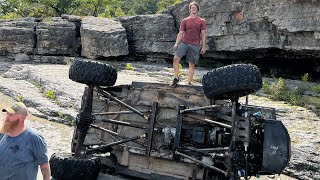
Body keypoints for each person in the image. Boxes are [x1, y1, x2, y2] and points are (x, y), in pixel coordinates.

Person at [0, 102, 51, 180]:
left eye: (11, 115)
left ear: (21, 118)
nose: (7, 118)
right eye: (7, 114)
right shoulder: (3, 133)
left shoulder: (34, 138)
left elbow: (44, 167)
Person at [169, 1, 206, 87]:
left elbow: (203, 34)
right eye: (192, 8)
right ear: (189, 10)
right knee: (175, 58)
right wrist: (176, 43)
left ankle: (189, 82)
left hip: (195, 44)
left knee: (192, 65)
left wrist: (203, 47)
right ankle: (175, 77)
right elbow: (181, 33)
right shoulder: (185, 21)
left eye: (195, 8)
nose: (193, 9)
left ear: (197, 10)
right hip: (184, 42)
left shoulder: (201, 21)